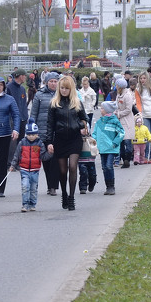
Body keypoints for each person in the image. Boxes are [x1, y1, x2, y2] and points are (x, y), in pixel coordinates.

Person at [45, 74, 89, 211]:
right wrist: (49, 142)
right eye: (62, 88)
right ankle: (64, 193)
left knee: (73, 167)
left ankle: (71, 197)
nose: (64, 90)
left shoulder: (77, 102)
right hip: (60, 139)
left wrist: (80, 126)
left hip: (74, 139)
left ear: (71, 89)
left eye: (67, 88)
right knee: (62, 171)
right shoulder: (54, 104)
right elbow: (49, 125)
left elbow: (84, 119)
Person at [29, 71, 61, 196]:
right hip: (42, 132)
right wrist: (32, 130)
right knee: (46, 160)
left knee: (56, 160)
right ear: (46, 82)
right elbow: (33, 114)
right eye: (51, 81)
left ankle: (53, 186)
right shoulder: (39, 95)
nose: (53, 83)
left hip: (57, 132)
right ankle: (49, 185)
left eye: (55, 81)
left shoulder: (61, 95)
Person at [8, 119, 44, 212]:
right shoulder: (22, 143)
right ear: (26, 134)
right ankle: (25, 204)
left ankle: (32, 204)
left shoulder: (40, 143)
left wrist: (50, 153)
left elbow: (44, 156)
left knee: (33, 188)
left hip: (35, 170)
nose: (31, 137)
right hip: (24, 169)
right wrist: (12, 165)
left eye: (33, 135)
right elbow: (17, 155)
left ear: (37, 134)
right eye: (29, 135)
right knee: (25, 186)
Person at [93, 101, 125, 196]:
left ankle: (111, 187)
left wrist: (115, 143)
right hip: (102, 148)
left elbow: (121, 133)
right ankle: (108, 186)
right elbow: (95, 133)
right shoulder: (99, 122)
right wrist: (94, 141)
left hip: (111, 148)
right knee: (104, 167)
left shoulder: (114, 121)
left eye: (102, 108)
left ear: (107, 110)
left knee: (108, 166)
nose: (100, 110)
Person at [114, 78, 136, 168]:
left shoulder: (127, 95)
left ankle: (127, 159)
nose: (116, 87)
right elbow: (116, 106)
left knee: (127, 141)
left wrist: (119, 114)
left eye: (117, 85)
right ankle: (124, 159)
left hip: (127, 120)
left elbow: (128, 109)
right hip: (119, 120)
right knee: (121, 142)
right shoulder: (118, 95)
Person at [6, 69, 29, 138]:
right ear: (21, 76)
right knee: (13, 144)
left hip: (23, 120)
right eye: (25, 76)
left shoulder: (22, 89)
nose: (25, 78)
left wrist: (25, 117)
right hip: (13, 121)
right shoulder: (8, 88)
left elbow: (24, 104)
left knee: (21, 143)